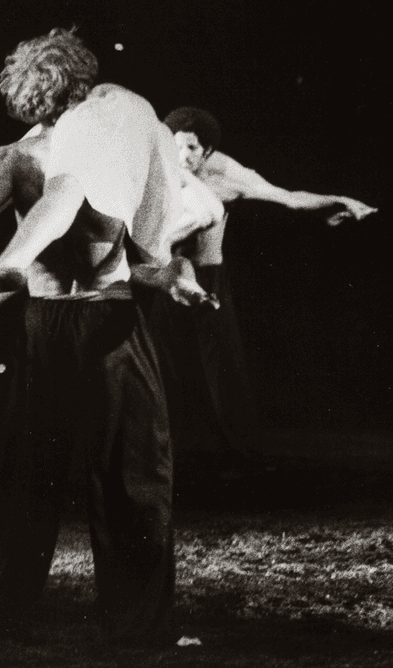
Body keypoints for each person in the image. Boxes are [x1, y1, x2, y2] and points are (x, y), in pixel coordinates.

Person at [0, 28, 207, 644]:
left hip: (112, 319)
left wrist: (175, 276)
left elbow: (143, 254)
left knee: (134, 475)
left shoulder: (110, 146)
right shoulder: (17, 160)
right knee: (26, 474)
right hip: (53, 324)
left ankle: (142, 628)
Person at [160, 107, 376, 456]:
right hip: (165, 277)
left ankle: (240, 454)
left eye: (193, 150)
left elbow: (288, 197)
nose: (183, 157)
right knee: (166, 366)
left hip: (208, 276)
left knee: (222, 369)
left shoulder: (227, 173)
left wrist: (337, 201)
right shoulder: (158, 165)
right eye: (178, 147)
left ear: (208, 151)